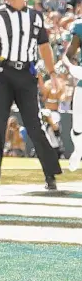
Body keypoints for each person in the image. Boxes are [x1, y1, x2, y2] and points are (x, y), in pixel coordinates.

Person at [0, 0, 62, 190]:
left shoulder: (35, 16)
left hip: (26, 74)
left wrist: (52, 74)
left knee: (35, 125)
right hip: (3, 73)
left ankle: (50, 175)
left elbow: (44, 47)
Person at [62, 17, 82, 171]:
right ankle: (78, 150)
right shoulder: (79, 27)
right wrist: (72, 68)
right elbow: (67, 56)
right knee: (77, 127)